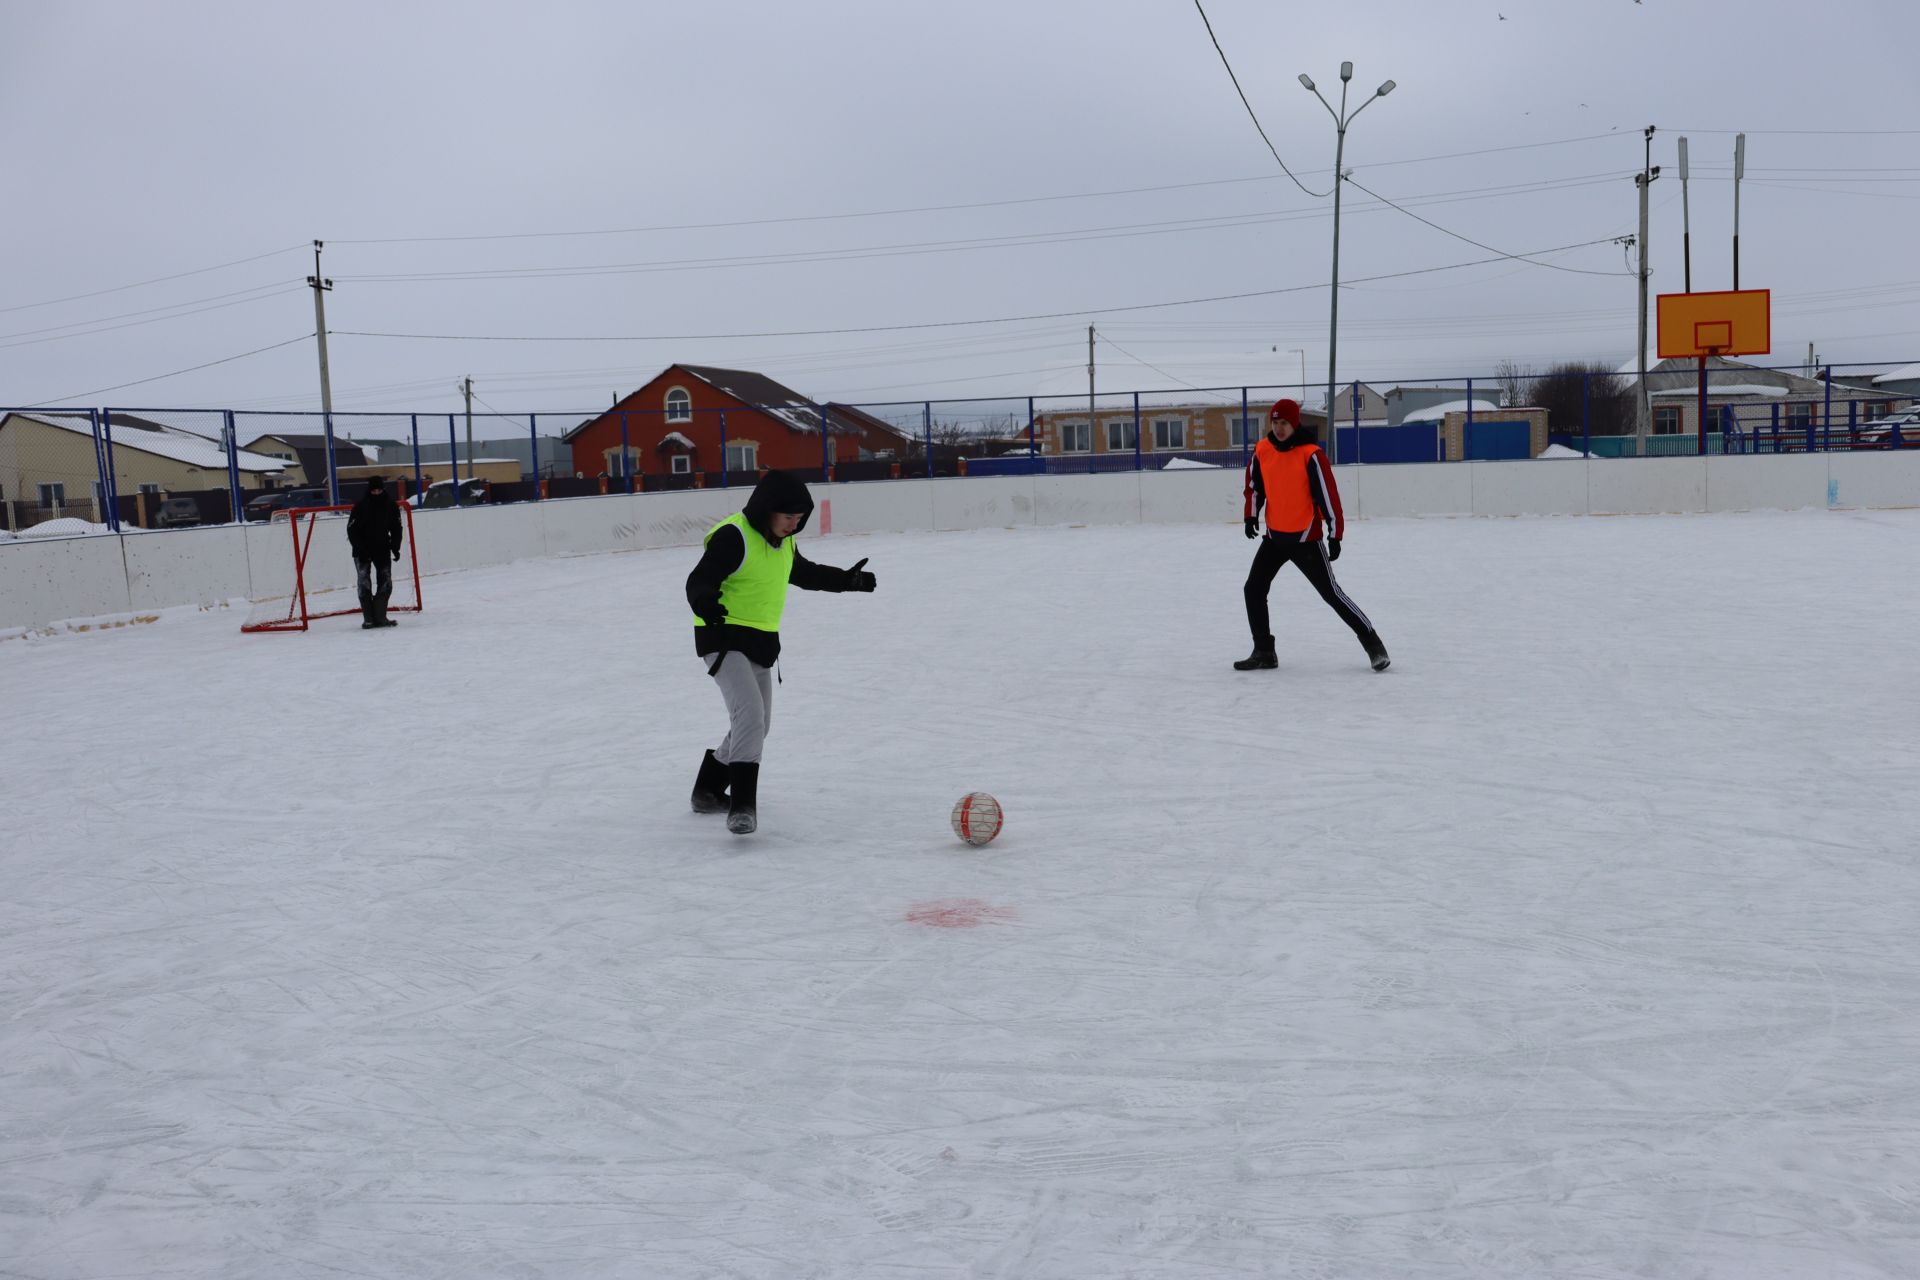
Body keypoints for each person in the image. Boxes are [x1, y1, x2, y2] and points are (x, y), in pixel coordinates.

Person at [684, 470, 877, 834]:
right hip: (722, 635)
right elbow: (700, 579)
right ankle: (742, 807)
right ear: (765, 510)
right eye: (788, 516)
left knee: (758, 725)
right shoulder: (734, 536)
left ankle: (707, 790)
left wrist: (845, 582)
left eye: (799, 519)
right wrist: (705, 602)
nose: (794, 524)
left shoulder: (783, 541)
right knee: (751, 716)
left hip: (759, 641)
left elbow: (802, 572)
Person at [1238, 399, 1389, 672]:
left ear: (1295, 424)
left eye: (1284, 423)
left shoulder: (1311, 455)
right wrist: (1251, 514)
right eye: (1275, 422)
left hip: (1305, 539)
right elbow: (1254, 486)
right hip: (1274, 538)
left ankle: (1373, 645)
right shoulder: (1263, 450)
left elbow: (1328, 495)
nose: (1279, 428)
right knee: (1253, 589)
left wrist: (1335, 533)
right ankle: (1264, 651)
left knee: (1332, 594)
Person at [346, 477, 403, 630]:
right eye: (373, 490)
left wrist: (395, 547)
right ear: (369, 490)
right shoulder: (360, 507)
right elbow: (352, 531)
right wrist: (359, 549)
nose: (376, 493)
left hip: (382, 548)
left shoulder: (391, 506)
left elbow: (397, 528)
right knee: (364, 582)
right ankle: (369, 619)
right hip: (362, 550)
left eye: (379, 490)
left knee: (386, 582)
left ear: (383, 489)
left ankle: (380, 617)